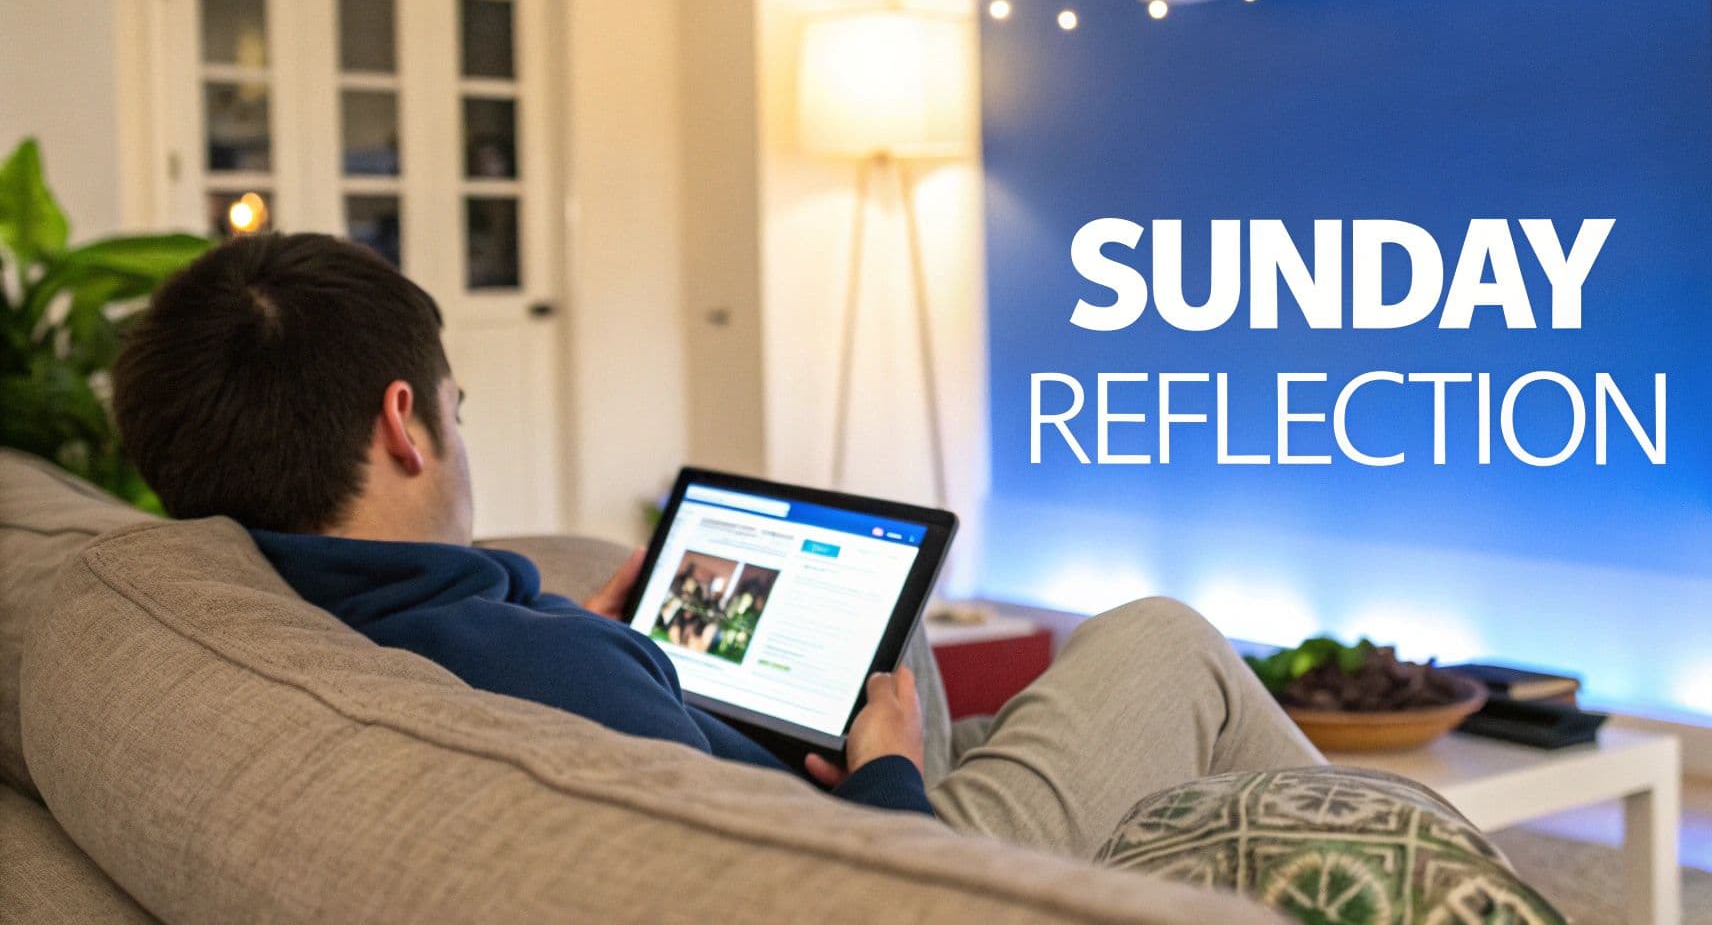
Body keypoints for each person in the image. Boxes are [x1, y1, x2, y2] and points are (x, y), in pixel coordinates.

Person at [112, 233, 1323, 859]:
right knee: (1157, 640)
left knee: (897, 647)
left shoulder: (307, 608)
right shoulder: (549, 682)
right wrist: (895, 774)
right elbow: (875, 892)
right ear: (404, 424)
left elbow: (505, 648)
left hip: (787, 789)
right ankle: (1436, 880)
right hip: (893, 852)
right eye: (456, 403)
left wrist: (551, 621)